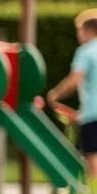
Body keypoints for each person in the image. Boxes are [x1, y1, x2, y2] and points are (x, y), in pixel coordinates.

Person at [49, 9, 97, 177]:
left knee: (93, 159)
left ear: (87, 30)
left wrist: (55, 94)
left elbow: (74, 81)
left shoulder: (85, 52)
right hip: (89, 113)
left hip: (93, 114)